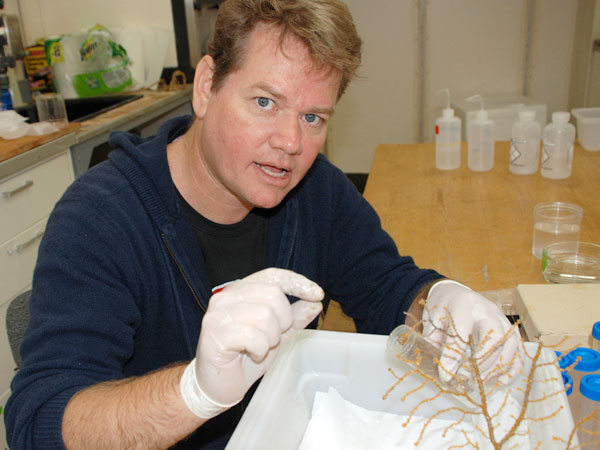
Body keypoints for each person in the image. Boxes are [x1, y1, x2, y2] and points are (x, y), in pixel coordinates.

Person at [5, 0, 523, 448]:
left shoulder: (316, 190)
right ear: (206, 86)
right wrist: (195, 391)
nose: (291, 143)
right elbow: (40, 422)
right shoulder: (101, 219)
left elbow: (387, 285)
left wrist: (442, 301)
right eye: (265, 102)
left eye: (313, 117)